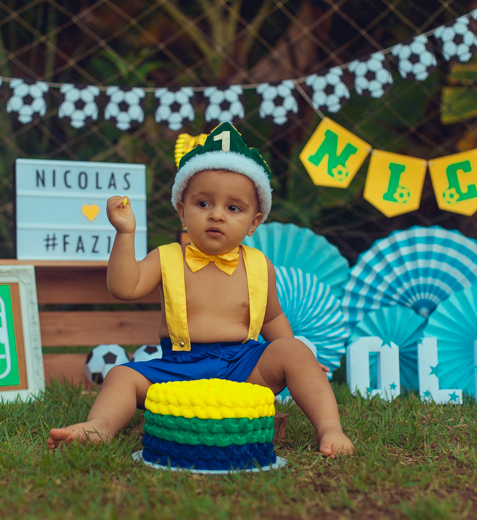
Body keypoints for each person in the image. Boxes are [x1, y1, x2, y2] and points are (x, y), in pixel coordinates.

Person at [48, 123, 354, 457]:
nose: (217, 215)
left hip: (242, 366)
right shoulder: (166, 257)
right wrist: (125, 234)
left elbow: (272, 318)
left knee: (295, 352)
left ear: (254, 222)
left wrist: (299, 357)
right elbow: (125, 287)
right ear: (182, 211)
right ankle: (100, 428)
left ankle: (330, 430)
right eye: (204, 204)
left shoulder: (258, 264)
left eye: (233, 208)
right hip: (179, 368)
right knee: (121, 375)